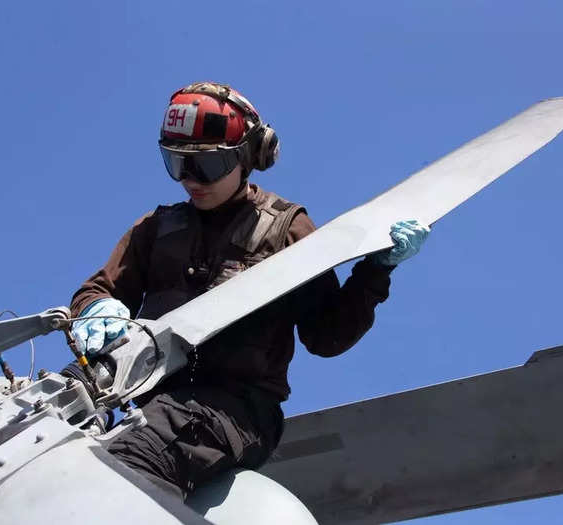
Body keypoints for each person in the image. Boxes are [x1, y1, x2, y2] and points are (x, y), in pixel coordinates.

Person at [69, 82, 429, 497]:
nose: (189, 180)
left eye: (204, 166)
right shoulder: (156, 229)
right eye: (176, 163)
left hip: (238, 411)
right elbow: (98, 288)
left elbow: (327, 336)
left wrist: (375, 272)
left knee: (132, 462)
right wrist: (98, 307)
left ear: (247, 157)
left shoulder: (286, 229)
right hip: (148, 401)